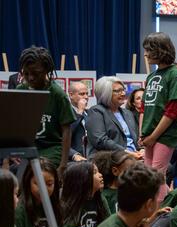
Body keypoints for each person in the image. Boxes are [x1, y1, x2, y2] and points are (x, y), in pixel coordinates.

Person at [140, 32, 177, 202]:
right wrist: (142, 134)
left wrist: (153, 136)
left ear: (160, 50)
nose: (145, 54)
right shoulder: (151, 76)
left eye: (149, 50)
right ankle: (169, 202)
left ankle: (159, 213)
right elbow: (144, 107)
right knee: (148, 174)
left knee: (157, 174)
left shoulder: (175, 75)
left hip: (165, 135)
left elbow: (173, 110)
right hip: (150, 135)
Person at [17, 46, 76, 174]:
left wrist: (63, 165)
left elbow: (66, 130)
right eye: (26, 73)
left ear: (46, 70)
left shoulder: (57, 94)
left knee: (40, 172)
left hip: (51, 148)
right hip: (27, 147)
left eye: (35, 73)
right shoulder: (20, 90)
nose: (30, 78)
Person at [86, 76, 142, 160]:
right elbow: (101, 141)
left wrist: (142, 150)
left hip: (133, 156)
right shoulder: (96, 111)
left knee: (166, 167)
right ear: (105, 93)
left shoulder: (128, 113)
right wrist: (127, 153)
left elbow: (138, 138)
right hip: (110, 158)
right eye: (118, 91)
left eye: (123, 90)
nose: (123, 93)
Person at [61, 161, 110, 227]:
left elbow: (108, 224)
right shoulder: (72, 202)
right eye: (95, 172)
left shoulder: (100, 198)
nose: (100, 175)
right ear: (83, 179)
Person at [68, 81, 89, 161]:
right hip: (74, 158)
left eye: (87, 93)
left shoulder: (90, 112)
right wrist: (79, 112)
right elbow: (67, 133)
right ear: (71, 95)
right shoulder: (65, 112)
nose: (86, 97)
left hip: (91, 156)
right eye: (82, 94)